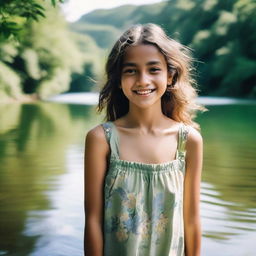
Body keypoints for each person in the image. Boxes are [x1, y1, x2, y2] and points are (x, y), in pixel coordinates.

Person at [84, 23, 204, 256]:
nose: (142, 80)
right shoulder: (102, 139)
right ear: (118, 79)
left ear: (170, 76)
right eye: (131, 70)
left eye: (153, 69)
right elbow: (93, 221)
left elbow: (191, 221)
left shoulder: (188, 141)